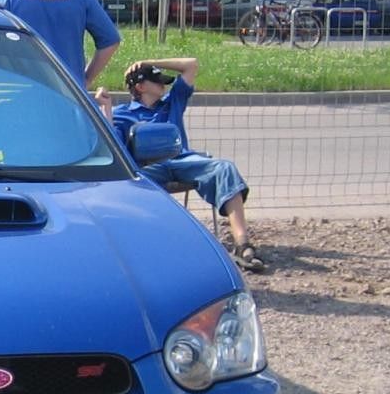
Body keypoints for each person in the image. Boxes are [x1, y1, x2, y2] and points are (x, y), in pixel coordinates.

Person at [99, 57, 267, 274]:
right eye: (156, 80)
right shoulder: (122, 114)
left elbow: (191, 65)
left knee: (224, 168)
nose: (163, 85)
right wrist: (106, 109)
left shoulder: (172, 103)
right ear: (140, 87)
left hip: (182, 160)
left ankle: (243, 244)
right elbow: (114, 146)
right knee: (129, 182)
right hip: (148, 167)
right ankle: (146, 246)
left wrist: (147, 61)